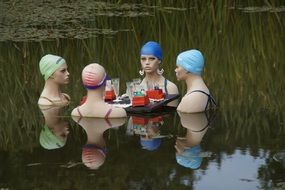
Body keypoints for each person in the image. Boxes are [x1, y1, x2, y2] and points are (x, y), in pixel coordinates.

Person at [139, 41, 179, 107]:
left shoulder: (170, 87)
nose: (147, 62)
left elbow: (171, 115)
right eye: (143, 59)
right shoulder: (136, 87)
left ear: (159, 60)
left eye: (151, 59)